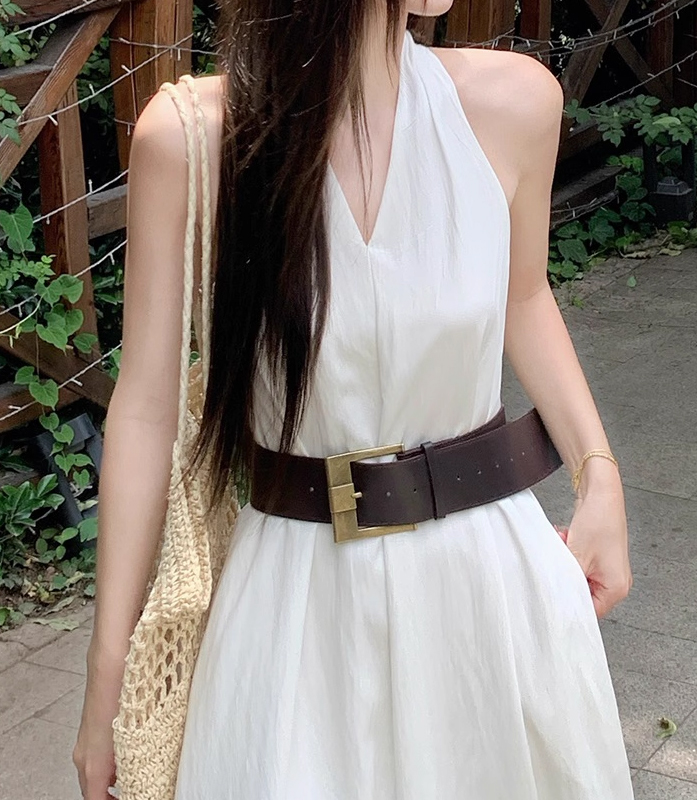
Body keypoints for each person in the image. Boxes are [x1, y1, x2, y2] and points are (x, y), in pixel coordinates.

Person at [73, 1, 635, 798]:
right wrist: (108, 682)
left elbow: (524, 296)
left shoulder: (516, 103)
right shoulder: (193, 138)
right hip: (292, 607)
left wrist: (599, 474)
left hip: (486, 590)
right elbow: (145, 409)